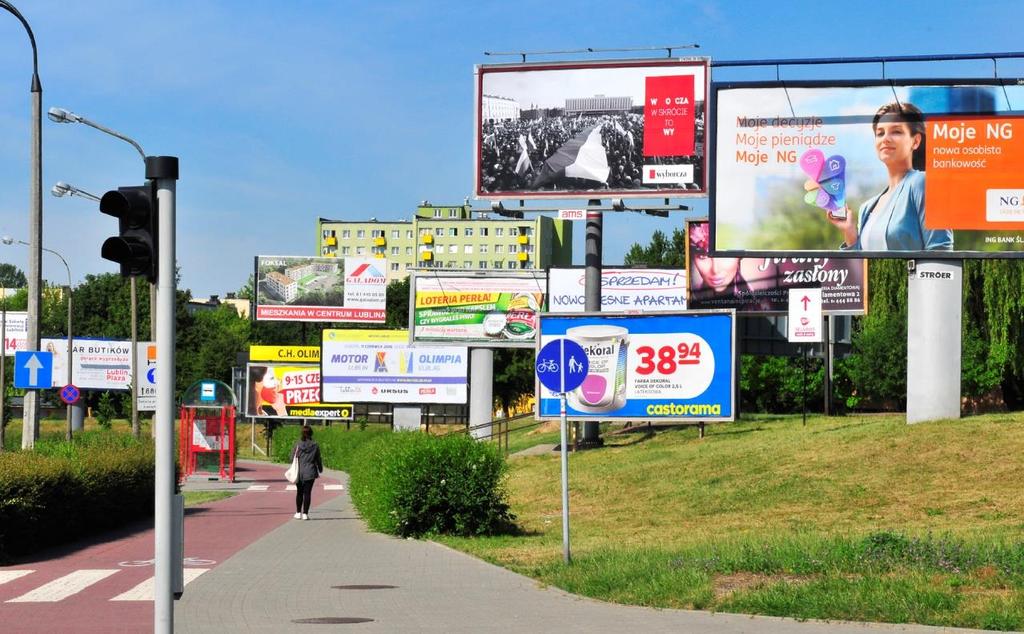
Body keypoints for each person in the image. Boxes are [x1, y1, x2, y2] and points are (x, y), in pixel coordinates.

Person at [830, 101, 953, 251]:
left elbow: (940, 250)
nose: (885, 139)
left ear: (916, 141)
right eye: (880, 133)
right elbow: (862, 267)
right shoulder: (867, 208)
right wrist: (849, 232)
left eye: (896, 131)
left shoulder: (924, 183)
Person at [290, 425, 323, 520]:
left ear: (302, 433)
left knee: (299, 492)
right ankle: (305, 514)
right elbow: (318, 459)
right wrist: (320, 468)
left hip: (299, 471)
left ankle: (298, 512)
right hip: (311, 471)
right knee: (307, 493)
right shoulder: (315, 445)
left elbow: (291, 458)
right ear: (311, 433)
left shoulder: (297, 444)